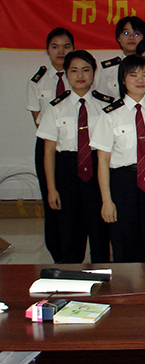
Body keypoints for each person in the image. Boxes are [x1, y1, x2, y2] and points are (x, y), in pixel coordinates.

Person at [36, 50, 112, 263]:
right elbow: (49, 152)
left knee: (100, 232)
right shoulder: (55, 108)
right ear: (67, 74)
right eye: (74, 70)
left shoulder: (106, 106)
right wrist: (51, 189)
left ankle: (102, 276)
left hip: (97, 171)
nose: (80, 75)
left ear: (94, 73)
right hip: (67, 172)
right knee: (69, 233)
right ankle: (70, 277)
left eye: (86, 70)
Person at [91, 54, 145, 262]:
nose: (140, 80)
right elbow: (102, 161)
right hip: (123, 184)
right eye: (133, 75)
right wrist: (106, 200)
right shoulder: (110, 115)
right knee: (125, 243)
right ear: (122, 79)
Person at [27, 27, 75, 262]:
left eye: (66, 46)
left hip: (75, 147)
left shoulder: (80, 75)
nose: (61, 51)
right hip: (47, 146)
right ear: (47, 50)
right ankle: (57, 252)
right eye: (55, 47)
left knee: (74, 200)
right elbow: (37, 118)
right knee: (52, 199)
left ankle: (74, 249)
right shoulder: (38, 81)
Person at [96, 16, 145, 97]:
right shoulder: (108, 69)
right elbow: (102, 99)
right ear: (118, 38)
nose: (131, 37)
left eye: (136, 34)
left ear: (143, 38)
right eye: (126, 33)